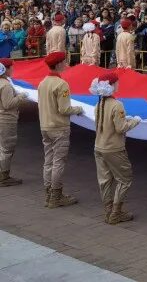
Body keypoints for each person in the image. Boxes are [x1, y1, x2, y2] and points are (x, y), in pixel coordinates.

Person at [90, 72, 141, 224]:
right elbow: (121, 128)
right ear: (111, 85)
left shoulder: (99, 104)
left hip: (99, 146)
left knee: (104, 180)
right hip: (114, 148)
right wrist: (134, 122)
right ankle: (116, 212)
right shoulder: (116, 105)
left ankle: (108, 210)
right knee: (125, 179)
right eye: (116, 83)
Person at [38, 51, 84, 207]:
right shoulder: (61, 84)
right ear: (58, 64)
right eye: (64, 62)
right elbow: (64, 109)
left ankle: (48, 194)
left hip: (45, 125)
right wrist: (78, 109)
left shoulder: (43, 82)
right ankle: (56, 196)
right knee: (58, 162)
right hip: (58, 127)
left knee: (48, 161)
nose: (66, 64)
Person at [0, 58, 30, 186]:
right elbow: (8, 104)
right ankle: (4, 176)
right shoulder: (5, 85)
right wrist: (21, 97)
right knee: (7, 147)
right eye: (11, 67)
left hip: (3, 117)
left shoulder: (4, 82)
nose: (13, 69)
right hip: (7, 119)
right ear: (5, 69)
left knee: (2, 147)